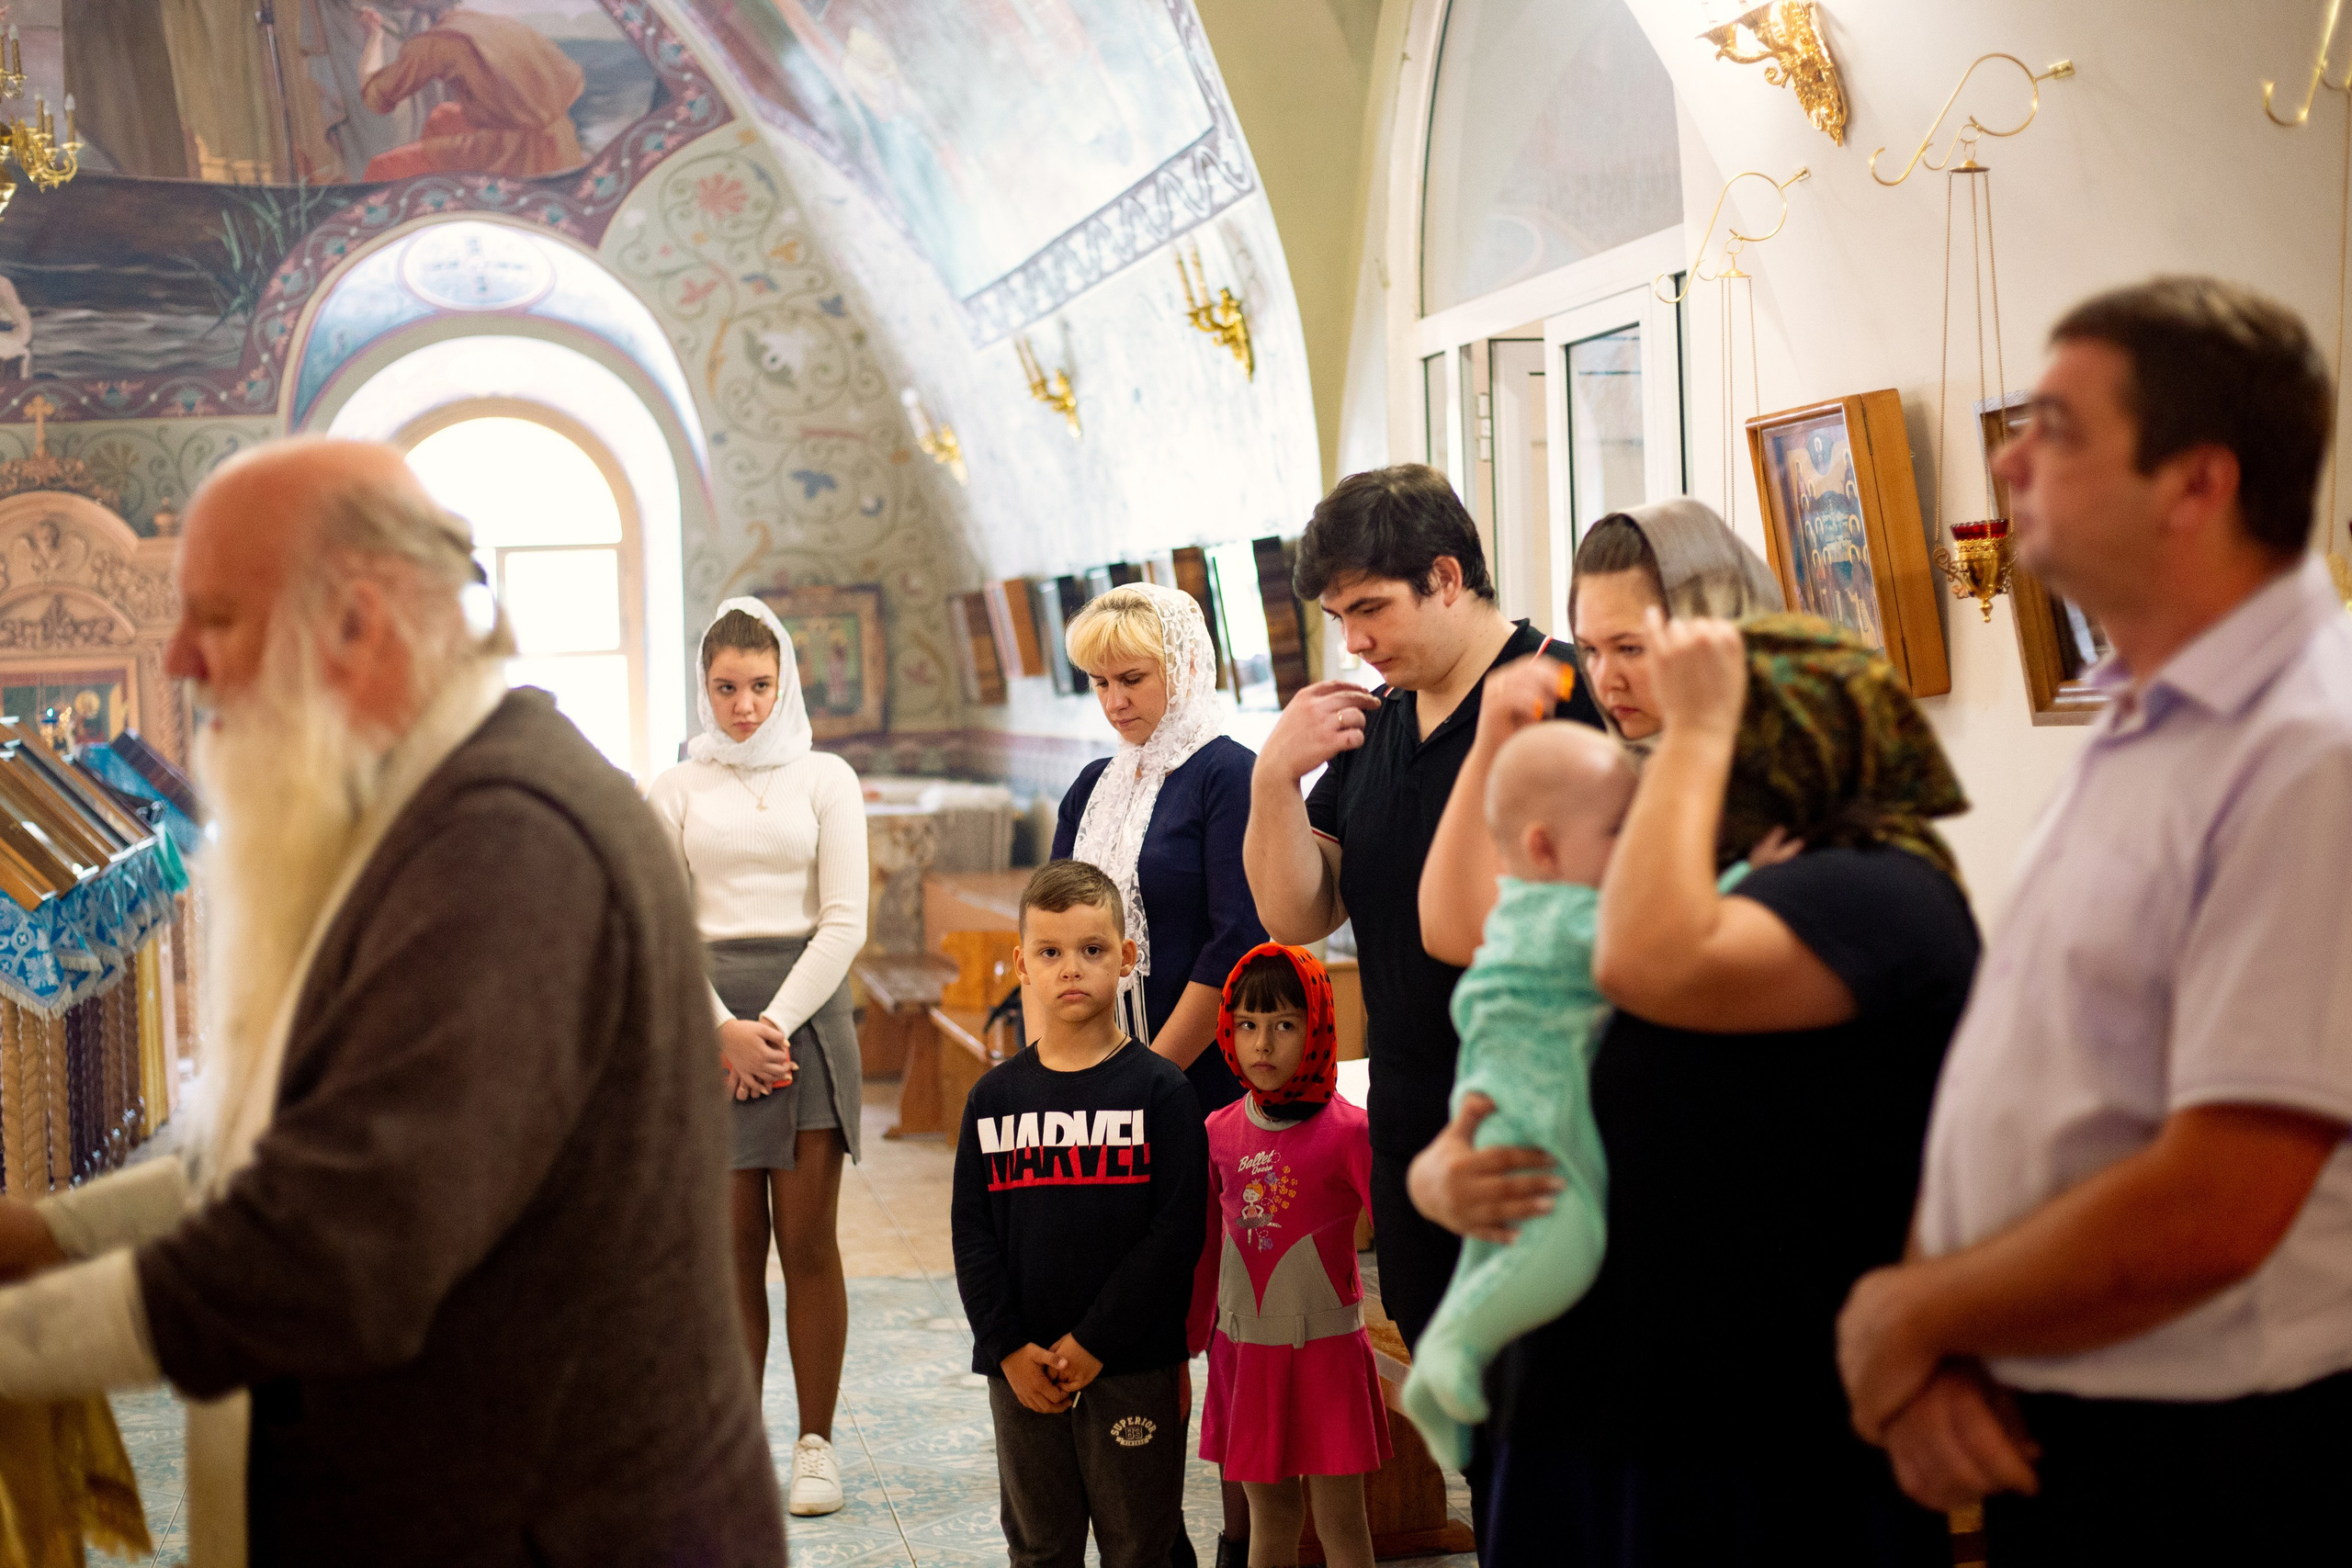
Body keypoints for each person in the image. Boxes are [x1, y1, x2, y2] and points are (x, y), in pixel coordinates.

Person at [0, 439, 781, 1565]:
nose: (177, 659)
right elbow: (312, 1155)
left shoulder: (509, 846)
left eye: (214, 618)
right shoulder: (420, 807)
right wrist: (55, 1234)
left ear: (358, 626)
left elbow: (336, 1252)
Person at [1836, 277, 2352, 1564]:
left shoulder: (2310, 749)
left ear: (2197, 484)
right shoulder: (2140, 709)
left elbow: (2223, 1193)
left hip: (2223, 1455)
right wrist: (1945, 1336)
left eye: (2057, 427)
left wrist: (1911, 1311)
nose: (2007, 455)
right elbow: (2033, 1071)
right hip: (2064, 1405)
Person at [1414, 611, 1976, 1566]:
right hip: (1600, 1406)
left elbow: (1645, 976)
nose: (1674, 766)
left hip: (1744, 1425)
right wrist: (1443, 1173)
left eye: (1708, 735)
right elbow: (1517, 990)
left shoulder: (1871, 889)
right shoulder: (1701, 889)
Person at [1241, 463, 1601, 1371]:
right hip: (1412, 1103)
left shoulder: (1557, 693)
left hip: (1536, 1106)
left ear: (1444, 578)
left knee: (1550, 1391)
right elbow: (1297, 912)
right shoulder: (1378, 720)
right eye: (1338, 620)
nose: (1356, 641)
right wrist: (1273, 781)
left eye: (1371, 609)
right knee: (1457, 1385)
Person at [647, 596, 869, 1518]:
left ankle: (815, 1446)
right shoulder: (672, 790)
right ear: (704, 689)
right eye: (727, 688)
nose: (744, 705)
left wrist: (766, 1024)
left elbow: (844, 918)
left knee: (806, 1243)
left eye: (760, 686)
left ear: (786, 684)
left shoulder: (827, 777)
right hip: (705, 1021)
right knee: (730, 1251)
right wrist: (720, 1029)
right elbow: (661, 921)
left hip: (806, 1017)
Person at [952, 859, 1208, 1568]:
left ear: (1126, 958)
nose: (1072, 969)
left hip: (1129, 1362)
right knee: (1039, 1545)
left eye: (1093, 950)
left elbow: (1175, 1235)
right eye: (1051, 952)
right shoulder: (993, 1099)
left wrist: (1096, 1340)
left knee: (1141, 1545)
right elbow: (972, 1236)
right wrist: (1006, 1348)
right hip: (1022, 1369)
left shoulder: (1163, 1092)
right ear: (1022, 964)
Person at [1398, 724, 1628, 1472]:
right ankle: (1457, 1349)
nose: (1633, 850)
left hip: (1501, 1089)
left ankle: (1445, 1354)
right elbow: (1660, 929)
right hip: (1529, 1100)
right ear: (1543, 848)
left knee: (1493, 1251)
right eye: (1619, 832)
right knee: (1564, 1232)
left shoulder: (1525, 907)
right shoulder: (1567, 916)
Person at [1419, 498, 1783, 967]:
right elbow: (1458, 934)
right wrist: (1490, 744)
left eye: (1631, 648)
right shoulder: (1616, 781)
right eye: (1590, 649)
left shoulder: (1787, 785)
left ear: (1712, 629)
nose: (1605, 678)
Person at [1188, 943, 1388, 1568]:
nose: (1263, 1044)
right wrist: (1192, 1334)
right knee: (1269, 1523)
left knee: (1342, 1527)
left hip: (1326, 1357)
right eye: (1247, 1024)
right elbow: (1204, 1248)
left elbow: (1397, 1231)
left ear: (1318, 1024)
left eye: (1283, 1024)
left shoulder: (1350, 1130)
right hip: (1246, 1357)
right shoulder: (1218, 1130)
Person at [1055, 582, 1267, 1114]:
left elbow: (1236, 939)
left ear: (1187, 666)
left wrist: (1150, 1078)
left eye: (1132, 680)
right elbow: (1048, 927)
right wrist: (1055, 1065)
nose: (1114, 702)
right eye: (1099, 682)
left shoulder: (1228, 774)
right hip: (1088, 1067)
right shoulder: (1092, 784)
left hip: (1195, 1071)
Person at [356, 1, 587, 180]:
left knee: (383, 167)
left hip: (510, 150)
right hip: (556, 137)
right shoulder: (490, 23)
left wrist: (374, 37)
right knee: (442, 116)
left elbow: (375, 96)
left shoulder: (433, 43)